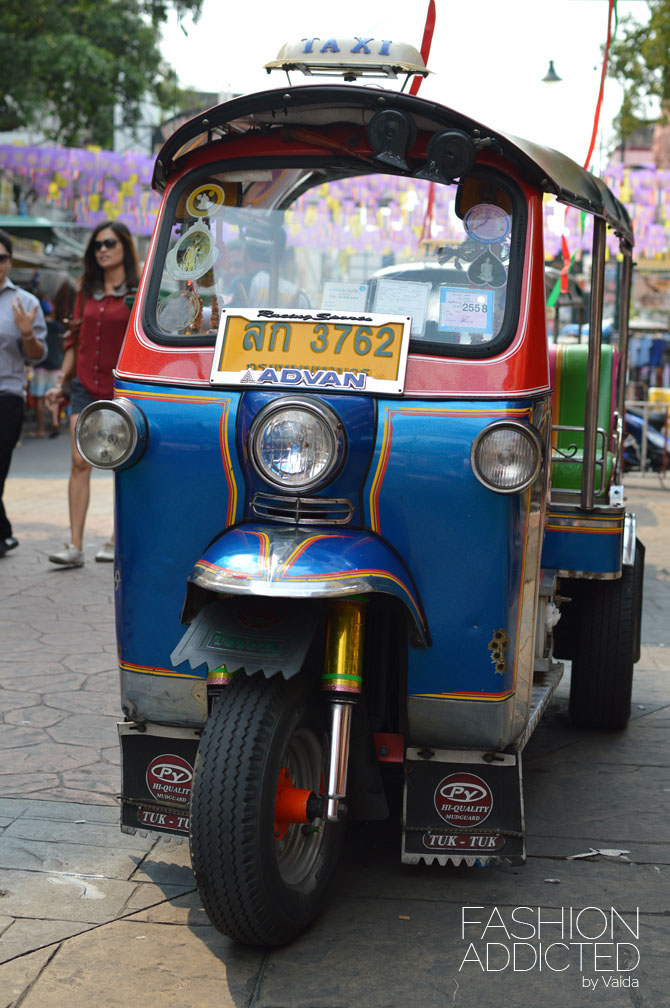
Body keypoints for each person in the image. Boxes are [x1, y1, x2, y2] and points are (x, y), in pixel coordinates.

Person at [46, 221, 139, 567]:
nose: (102, 249)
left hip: (123, 387)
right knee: (78, 461)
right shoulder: (86, 288)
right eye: (97, 245)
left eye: (109, 243)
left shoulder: (139, 287)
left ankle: (116, 539)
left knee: (123, 464)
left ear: (124, 246)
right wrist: (60, 382)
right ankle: (74, 546)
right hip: (85, 383)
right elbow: (74, 339)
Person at [0, 229, 48, 558]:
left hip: (8, 394)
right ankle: (2, 533)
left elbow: (37, 355)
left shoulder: (25, 303)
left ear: (8, 261)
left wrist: (27, 332)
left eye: (1, 257)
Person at [27, 298, 65, 438]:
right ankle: (55, 422)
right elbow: (63, 346)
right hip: (55, 365)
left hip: (40, 366)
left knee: (40, 399)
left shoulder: (39, 326)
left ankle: (41, 429)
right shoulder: (58, 326)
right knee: (54, 397)